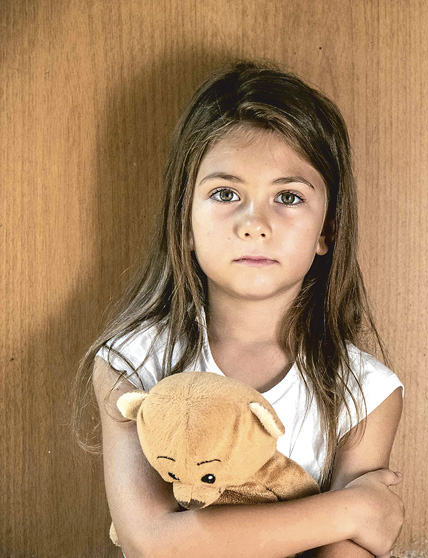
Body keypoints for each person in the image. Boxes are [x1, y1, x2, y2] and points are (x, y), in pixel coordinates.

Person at [71, 59, 405, 558]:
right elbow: (151, 543)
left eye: (288, 196)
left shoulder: (365, 392)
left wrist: (351, 519)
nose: (254, 223)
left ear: (327, 230)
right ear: (184, 222)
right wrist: (350, 510)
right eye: (226, 193)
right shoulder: (133, 363)